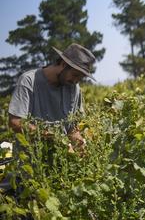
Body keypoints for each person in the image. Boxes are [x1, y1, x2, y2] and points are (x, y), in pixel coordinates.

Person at [1, 43, 96, 192]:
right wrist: (53, 137)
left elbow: (72, 128)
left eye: (81, 78)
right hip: (29, 169)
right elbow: (16, 122)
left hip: (60, 172)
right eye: (75, 75)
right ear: (63, 64)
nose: (76, 81)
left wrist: (80, 147)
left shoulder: (74, 89)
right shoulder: (29, 81)